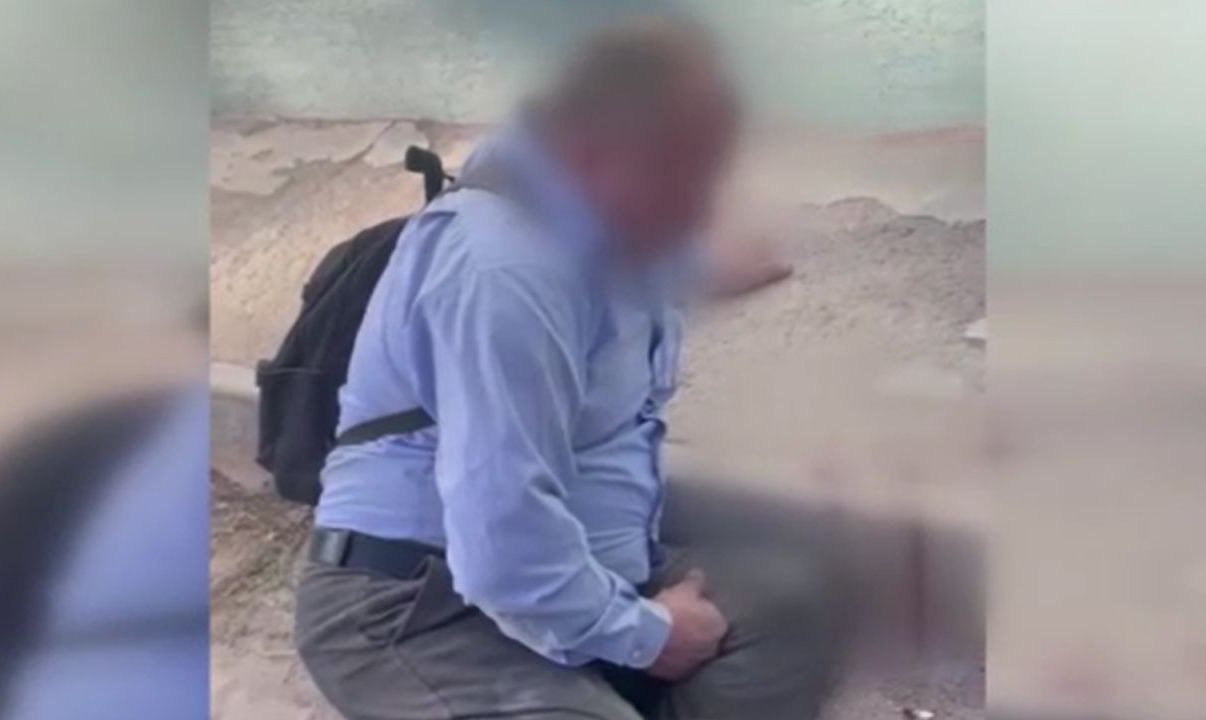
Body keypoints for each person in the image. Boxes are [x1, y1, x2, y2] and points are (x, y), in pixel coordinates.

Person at [296, 15, 835, 720]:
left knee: (786, 608)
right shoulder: (508, 271)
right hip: (416, 606)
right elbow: (500, 541)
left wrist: (699, 267)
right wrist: (649, 635)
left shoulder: (601, 222)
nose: (703, 201)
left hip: (572, 566)